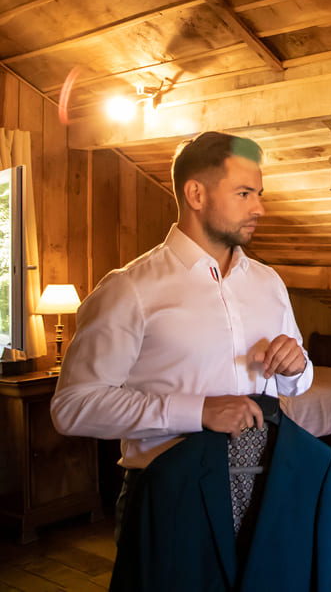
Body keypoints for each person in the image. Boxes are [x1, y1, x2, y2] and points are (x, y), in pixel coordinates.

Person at [51, 131, 314, 530]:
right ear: (196, 194)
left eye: (259, 194)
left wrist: (298, 367)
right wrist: (199, 411)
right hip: (170, 497)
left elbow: (297, 383)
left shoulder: (269, 282)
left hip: (267, 492)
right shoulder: (129, 288)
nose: (259, 208)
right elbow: (73, 407)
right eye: (244, 194)